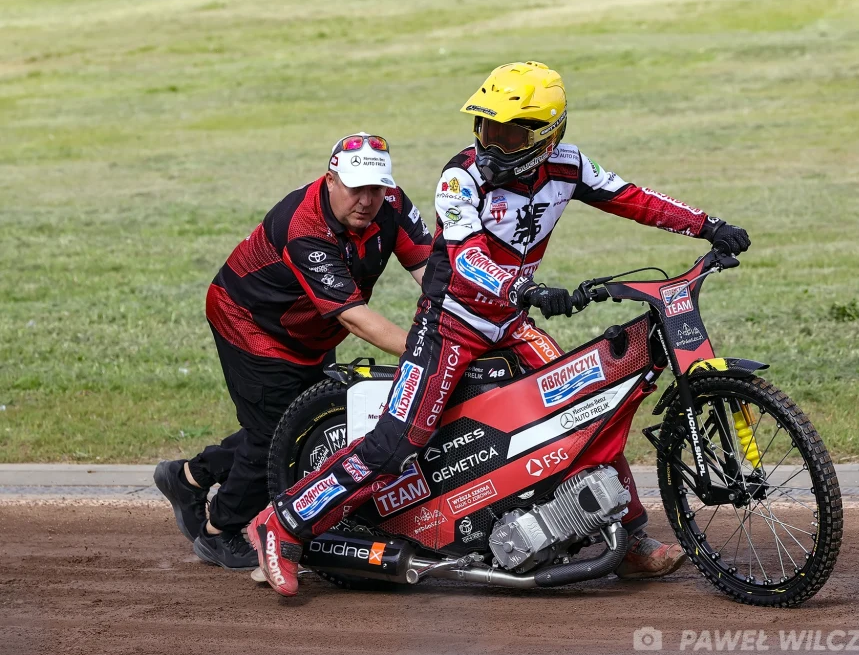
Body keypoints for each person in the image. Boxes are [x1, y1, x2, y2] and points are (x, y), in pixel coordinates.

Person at [247, 62, 752, 596]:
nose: (493, 142)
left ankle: (626, 537)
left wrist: (708, 225)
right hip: (450, 325)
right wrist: (526, 291)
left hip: (510, 324)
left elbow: (633, 197)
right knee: (398, 442)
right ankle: (281, 524)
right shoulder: (459, 177)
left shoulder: (570, 165)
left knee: (594, 409)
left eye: (510, 132)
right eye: (487, 127)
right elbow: (465, 260)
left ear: (547, 133)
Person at [154, 133, 432, 569]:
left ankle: (190, 477)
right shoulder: (304, 228)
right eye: (355, 187)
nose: (366, 199)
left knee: (300, 420)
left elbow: (431, 270)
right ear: (331, 180)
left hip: (310, 329)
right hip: (250, 322)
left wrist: (469, 317)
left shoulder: (391, 203)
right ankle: (219, 529)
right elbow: (354, 317)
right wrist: (428, 352)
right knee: (272, 436)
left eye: (375, 188)